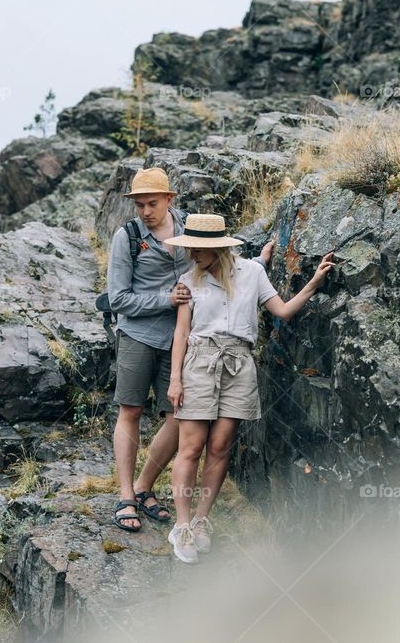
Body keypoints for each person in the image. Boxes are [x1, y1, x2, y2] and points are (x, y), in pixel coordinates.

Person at [106, 168, 273, 532]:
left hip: (186, 341)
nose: (145, 211)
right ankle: (125, 496)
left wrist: (259, 264)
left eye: (152, 203)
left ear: (170, 199)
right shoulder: (127, 237)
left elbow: (221, 261)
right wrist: (165, 299)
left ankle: (144, 487)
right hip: (139, 334)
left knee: (177, 418)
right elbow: (117, 298)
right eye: (139, 205)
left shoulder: (191, 227)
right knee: (130, 411)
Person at [164, 213, 334, 563]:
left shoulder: (253, 273)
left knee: (220, 447)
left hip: (239, 364)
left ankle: (201, 520)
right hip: (199, 361)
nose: (192, 254)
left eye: (198, 248)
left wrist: (314, 283)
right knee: (191, 448)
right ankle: (181, 526)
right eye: (189, 248)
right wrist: (175, 379)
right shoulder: (187, 281)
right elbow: (181, 333)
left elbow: (282, 311)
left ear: (217, 247)